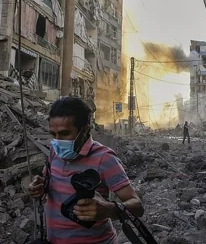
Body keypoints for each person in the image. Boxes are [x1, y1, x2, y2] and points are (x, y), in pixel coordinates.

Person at [28, 97, 144, 244]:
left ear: (84, 130)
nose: (58, 141)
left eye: (64, 134)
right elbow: (47, 181)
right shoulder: (54, 152)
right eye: (53, 135)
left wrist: (109, 209)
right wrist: (38, 187)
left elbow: (137, 206)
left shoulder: (104, 158)